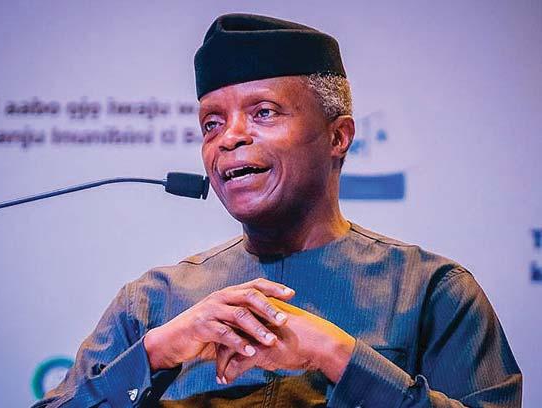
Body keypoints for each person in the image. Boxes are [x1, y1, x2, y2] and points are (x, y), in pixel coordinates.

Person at [34, 13, 522, 407]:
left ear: (338, 136)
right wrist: (155, 354)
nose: (229, 137)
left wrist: (338, 356)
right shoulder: (152, 304)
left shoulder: (432, 293)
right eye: (211, 123)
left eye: (263, 112)